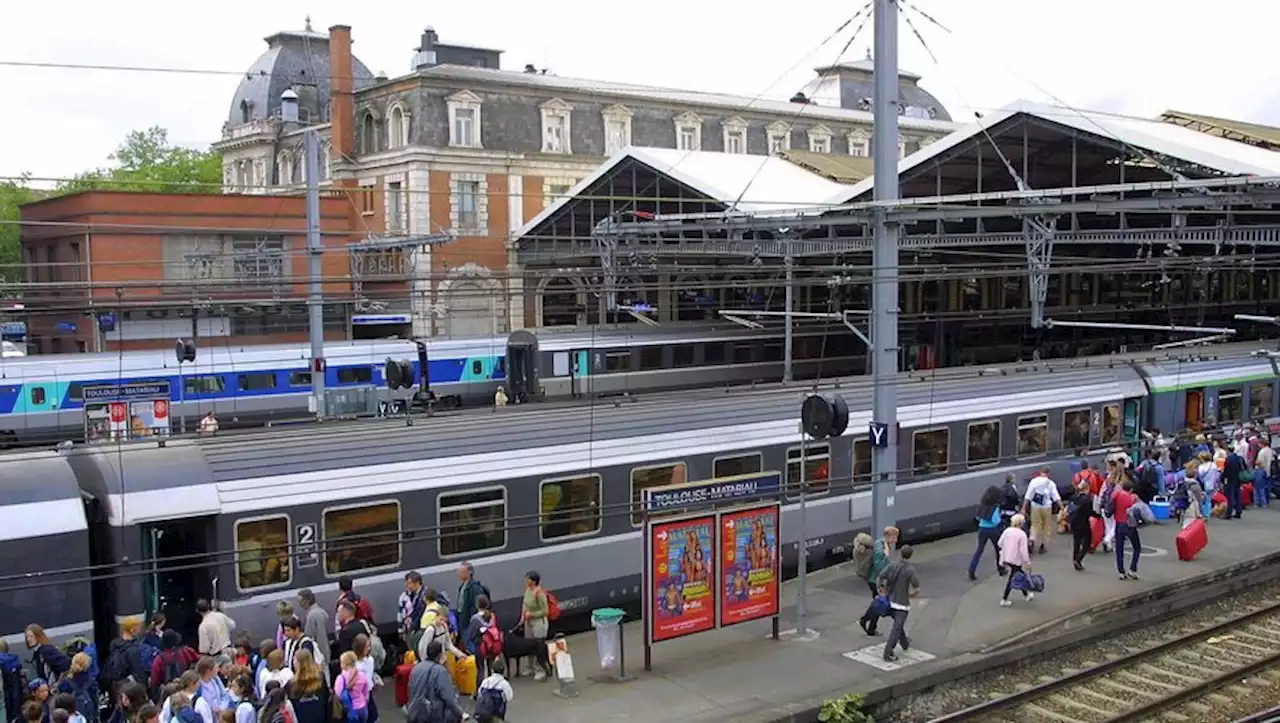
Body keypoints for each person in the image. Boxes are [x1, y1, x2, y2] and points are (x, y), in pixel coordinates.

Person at [876, 544, 920, 663]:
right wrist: (910, 595)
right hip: (902, 604)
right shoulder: (910, 570)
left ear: (901, 553)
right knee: (896, 628)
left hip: (890, 601)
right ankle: (888, 652)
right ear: (910, 556)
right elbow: (917, 588)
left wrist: (880, 590)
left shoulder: (892, 565)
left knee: (898, 624)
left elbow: (880, 577)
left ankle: (905, 643)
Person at [405, 641, 464, 723]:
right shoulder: (440, 671)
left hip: (415, 713)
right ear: (439, 655)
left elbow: (410, 689)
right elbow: (448, 697)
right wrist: (460, 714)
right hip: (432, 715)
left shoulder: (416, 668)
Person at [857, 526, 898, 637]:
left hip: (875, 580)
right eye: (894, 537)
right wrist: (886, 556)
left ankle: (869, 626)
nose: (896, 540)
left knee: (878, 602)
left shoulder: (883, 544)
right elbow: (879, 566)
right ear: (888, 536)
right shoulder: (880, 547)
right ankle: (865, 621)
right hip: (876, 581)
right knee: (879, 603)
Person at [968, 486, 1005, 581]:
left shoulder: (982, 505)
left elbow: (977, 518)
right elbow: (995, 520)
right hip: (993, 530)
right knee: (998, 549)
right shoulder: (995, 507)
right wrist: (1000, 517)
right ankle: (1001, 569)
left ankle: (971, 570)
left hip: (982, 529)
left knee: (979, 550)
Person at [519, 572, 550, 680]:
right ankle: (530, 667)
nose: (525, 581)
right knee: (528, 645)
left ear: (533, 581)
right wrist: (523, 616)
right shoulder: (528, 590)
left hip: (538, 622)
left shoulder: (539, 593)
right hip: (529, 622)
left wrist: (532, 614)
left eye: (527, 579)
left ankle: (540, 669)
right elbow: (525, 603)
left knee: (538, 646)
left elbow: (545, 611)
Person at [997, 514, 1033, 607]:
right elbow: (1023, 550)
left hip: (1007, 558)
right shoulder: (1022, 534)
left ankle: (1026, 594)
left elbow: (1000, 543)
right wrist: (1027, 562)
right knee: (1014, 577)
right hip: (1016, 559)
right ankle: (1004, 599)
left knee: (1018, 575)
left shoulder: (1007, 531)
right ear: (1021, 523)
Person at [1023, 467, 1060, 555]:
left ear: (1040, 472)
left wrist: (1023, 508)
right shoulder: (1050, 483)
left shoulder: (1034, 481)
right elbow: (1056, 497)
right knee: (1046, 527)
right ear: (1048, 473)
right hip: (1047, 507)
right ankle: (1043, 546)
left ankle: (1031, 540)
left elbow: (1028, 495)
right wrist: (1062, 507)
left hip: (1035, 507)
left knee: (1035, 525)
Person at [1111, 480, 1141, 580]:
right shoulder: (1132, 498)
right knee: (1137, 547)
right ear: (1131, 489)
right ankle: (1132, 569)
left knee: (1119, 549)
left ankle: (1121, 572)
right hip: (1129, 525)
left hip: (1118, 524)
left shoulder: (1117, 494)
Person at [286, 650, 327, 723]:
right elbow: (326, 697)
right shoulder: (320, 678)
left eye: (294, 659)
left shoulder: (292, 684)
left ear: (299, 663)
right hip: (319, 716)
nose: (293, 662)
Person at [332, 652, 369, 723]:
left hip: (348, 710)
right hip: (362, 708)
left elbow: (338, 694)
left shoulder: (341, 678)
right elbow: (366, 693)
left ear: (344, 664)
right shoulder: (362, 675)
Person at [473, 658, 513, 723]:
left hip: (483, 712)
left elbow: (479, 693)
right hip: (497, 713)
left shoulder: (485, 681)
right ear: (503, 671)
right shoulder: (504, 684)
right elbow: (509, 697)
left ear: (492, 670)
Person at [295, 590, 332, 656]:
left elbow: (321, 638)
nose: (299, 604)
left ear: (307, 600)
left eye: (301, 601)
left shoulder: (313, 615)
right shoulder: (320, 611)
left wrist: (323, 656)